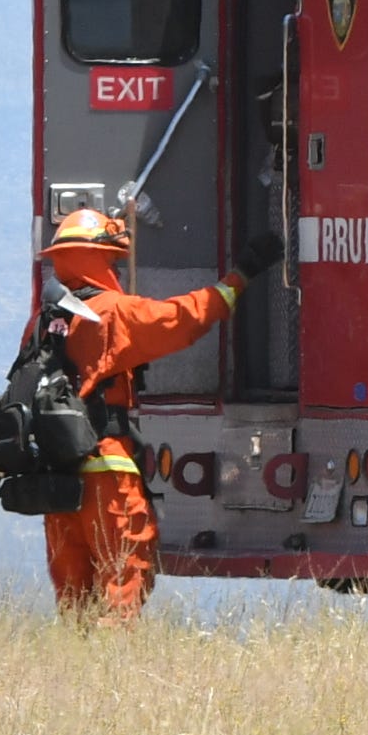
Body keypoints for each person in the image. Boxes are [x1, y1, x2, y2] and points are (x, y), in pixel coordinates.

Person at [37, 205, 254, 624]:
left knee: (73, 595)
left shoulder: (43, 321)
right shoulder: (112, 312)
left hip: (54, 478)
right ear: (99, 259)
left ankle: (76, 661)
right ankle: (113, 661)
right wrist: (237, 281)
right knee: (124, 573)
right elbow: (182, 319)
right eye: (113, 260)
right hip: (105, 469)